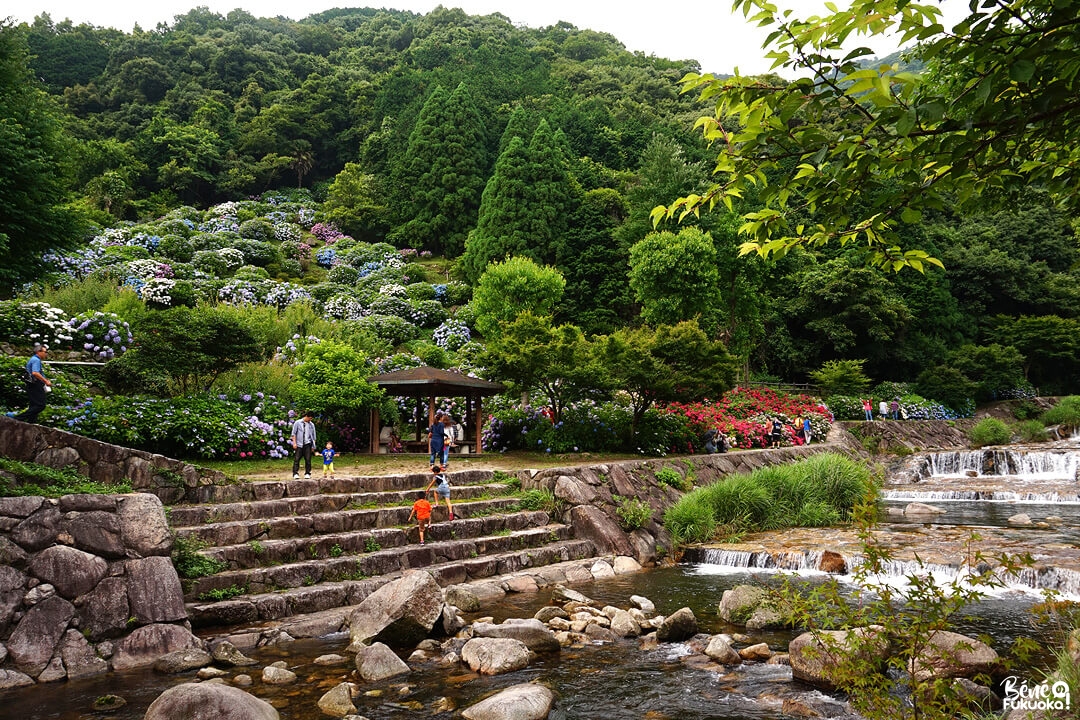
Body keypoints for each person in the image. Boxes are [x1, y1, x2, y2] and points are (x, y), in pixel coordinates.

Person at [13, 344, 52, 423]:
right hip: (35, 384)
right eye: (45, 352)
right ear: (38, 352)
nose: (46, 354)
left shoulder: (34, 359)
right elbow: (35, 373)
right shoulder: (36, 360)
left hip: (32, 384)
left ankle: (31, 423)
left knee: (34, 405)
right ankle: (18, 418)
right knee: (40, 405)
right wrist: (45, 381)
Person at [290, 411, 317, 479]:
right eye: (310, 418)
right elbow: (293, 434)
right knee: (297, 459)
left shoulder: (311, 425)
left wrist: (313, 445)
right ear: (306, 416)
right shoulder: (297, 423)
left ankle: (307, 473)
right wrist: (294, 443)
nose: (310, 420)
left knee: (308, 459)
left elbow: (314, 436)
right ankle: (295, 473)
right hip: (299, 444)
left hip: (307, 443)